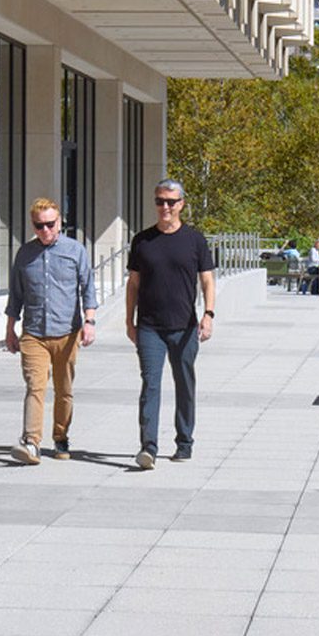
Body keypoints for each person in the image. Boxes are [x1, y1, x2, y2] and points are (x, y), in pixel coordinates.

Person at [126, 178, 216, 469]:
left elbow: (207, 280)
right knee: (150, 385)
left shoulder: (195, 240)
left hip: (185, 327)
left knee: (184, 385)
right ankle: (148, 447)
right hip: (150, 326)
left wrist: (209, 314)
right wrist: (129, 320)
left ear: (181, 205)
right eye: (160, 201)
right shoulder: (142, 240)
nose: (165, 207)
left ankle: (184, 442)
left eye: (171, 202)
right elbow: (133, 284)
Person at [2, 197, 98, 464]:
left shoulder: (75, 251)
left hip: (67, 333)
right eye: (38, 225)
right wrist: (10, 330)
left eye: (50, 224)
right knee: (35, 386)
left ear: (60, 223)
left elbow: (87, 289)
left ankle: (60, 436)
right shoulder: (25, 254)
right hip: (33, 333)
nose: (44, 230)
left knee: (64, 390)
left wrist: (89, 322)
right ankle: (31, 442)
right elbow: (15, 296)